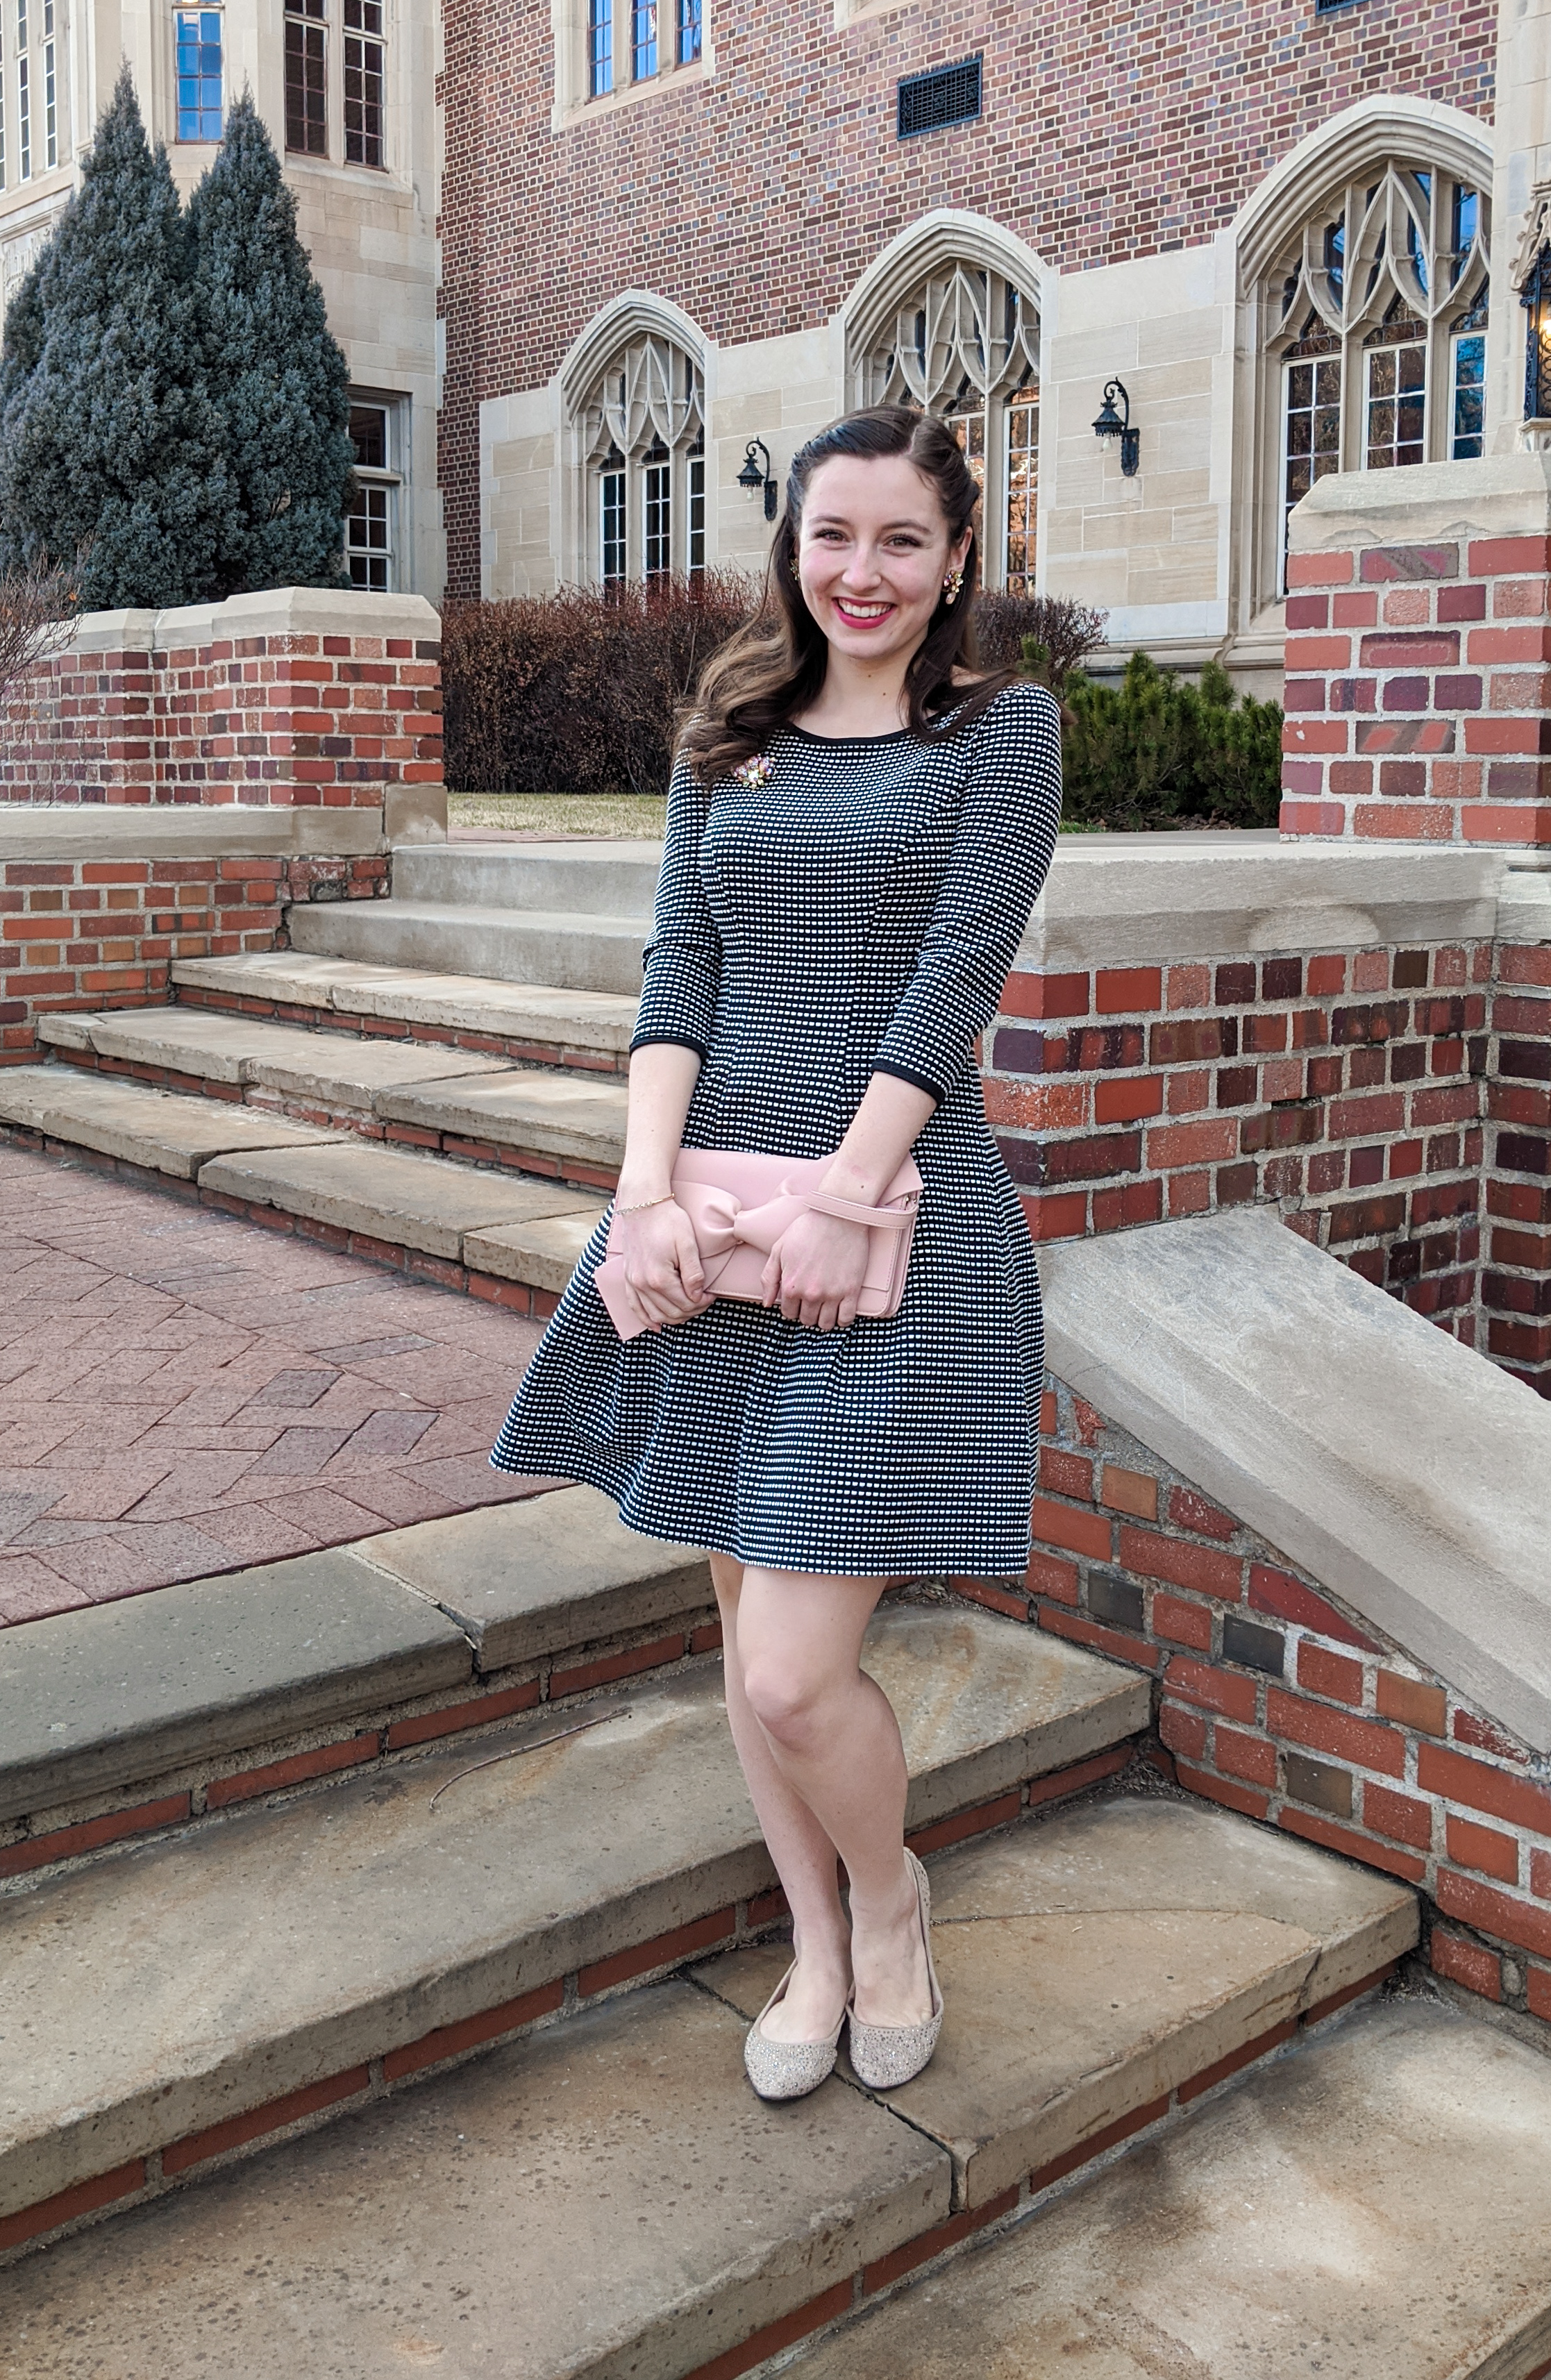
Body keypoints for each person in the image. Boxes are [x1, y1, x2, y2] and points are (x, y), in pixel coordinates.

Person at [492, 405, 1062, 2100]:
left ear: (957, 555)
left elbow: (955, 976)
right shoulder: (727, 732)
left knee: (797, 1671)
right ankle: (811, 1946)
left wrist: (846, 1187)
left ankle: (889, 1901)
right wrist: (643, 1191)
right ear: (791, 544)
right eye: (833, 535)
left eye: (900, 539)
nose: (861, 572)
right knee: (740, 1619)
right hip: (716, 1224)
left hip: (888, 1225)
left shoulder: (998, 734)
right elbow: (683, 967)